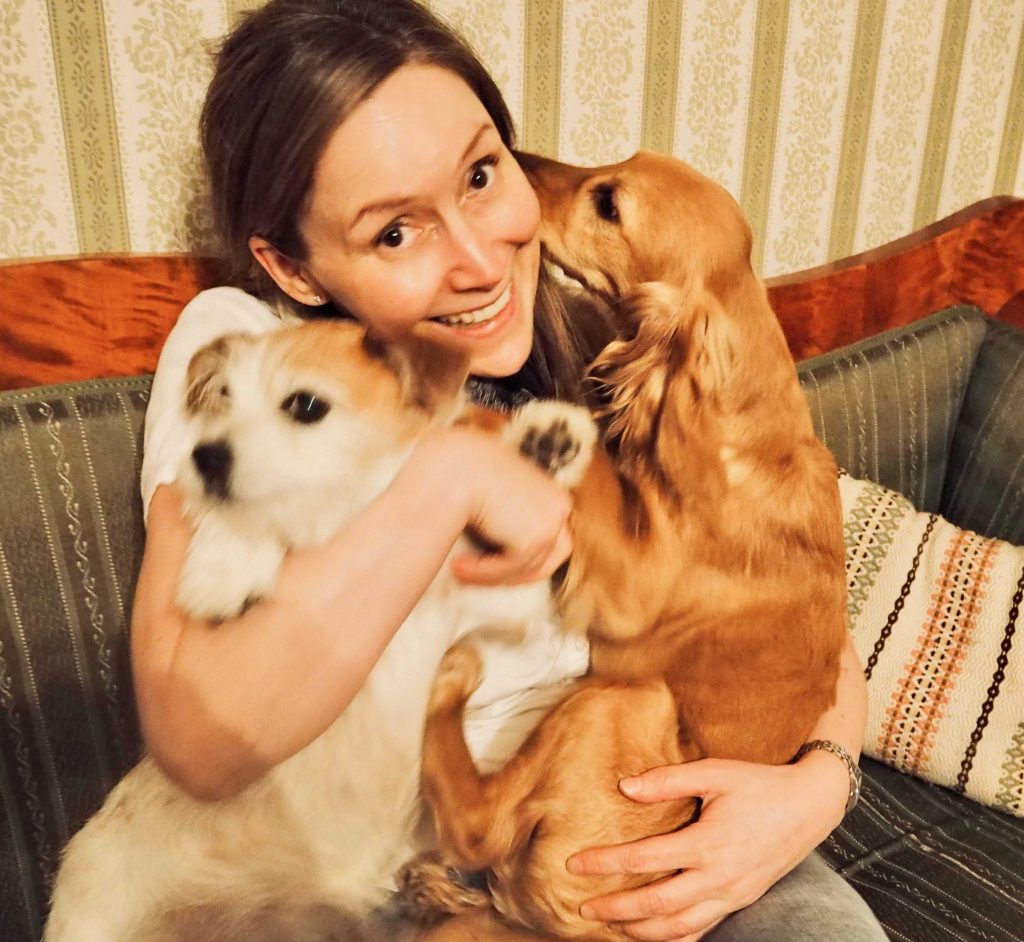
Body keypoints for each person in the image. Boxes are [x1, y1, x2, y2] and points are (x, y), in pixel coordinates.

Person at [133, 1, 887, 939]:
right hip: (413, 873)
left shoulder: (606, 350)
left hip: (658, 825)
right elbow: (199, 738)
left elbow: (794, 609)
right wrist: (454, 469)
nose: (480, 263)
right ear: (293, 268)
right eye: (395, 233)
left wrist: (815, 790)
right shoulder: (250, 357)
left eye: (481, 176)